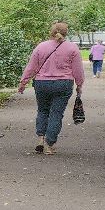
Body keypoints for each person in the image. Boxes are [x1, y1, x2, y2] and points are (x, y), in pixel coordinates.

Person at [17, 20, 85, 154]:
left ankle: (40, 139)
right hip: (63, 84)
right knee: (56, 113)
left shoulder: (41, 46)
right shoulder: (72, 48)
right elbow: (78, 70)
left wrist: (23, 82)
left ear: (51, 32)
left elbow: (31, 66)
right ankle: (49, 144)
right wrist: (79, 84)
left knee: (43, 111)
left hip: (42, 84)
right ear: (66, 33)